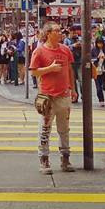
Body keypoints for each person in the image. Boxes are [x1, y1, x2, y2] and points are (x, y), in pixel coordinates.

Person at [29, 23, 76, 174]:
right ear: (48, 33)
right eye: (56, 30)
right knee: (44, 129)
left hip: (64, 95)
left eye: (60, 30)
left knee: (64, 129)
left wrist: (73, 89)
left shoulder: (65, 50)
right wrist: (50, 69)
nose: (60, 32)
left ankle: (65, 158)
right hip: (47, 97)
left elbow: (70, 69)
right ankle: (44, 160)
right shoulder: (39, 51)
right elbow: (34, 72)